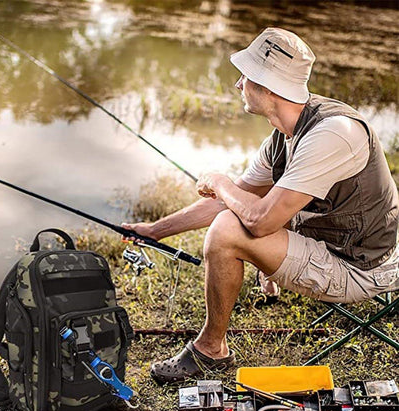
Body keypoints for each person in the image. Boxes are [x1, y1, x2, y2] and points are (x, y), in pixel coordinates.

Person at [122, 28, 399, 384]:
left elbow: (260, 221)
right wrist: (154, 231)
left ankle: (211, 350)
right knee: (236, 213)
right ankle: (240, 308)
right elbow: (236, 199)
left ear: (269, 87)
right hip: (335, 243)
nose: (238, 84)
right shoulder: (285, 134)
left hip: (360, 266)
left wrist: (220, 183)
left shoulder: (333, 135)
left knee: (227, 232)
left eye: (246, 76)